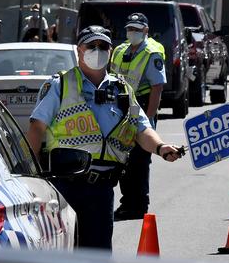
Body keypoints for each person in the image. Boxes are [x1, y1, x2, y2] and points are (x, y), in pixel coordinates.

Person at [26, 25, 181, 250]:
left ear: (110, 52)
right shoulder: (60, 85)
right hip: (63, 187)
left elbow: (141, 129)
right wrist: (32, 175)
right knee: (61, 260)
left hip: (101, 190)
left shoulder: (122, 90)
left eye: (103, 47)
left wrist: (160, 147)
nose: (97, 51)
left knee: (95, 262)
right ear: (79, 50)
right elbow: (36, 128)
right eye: (91, 46)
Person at [109, 12, 167, 221]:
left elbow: (157, 88)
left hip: (141, 107)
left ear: (145, 31)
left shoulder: (151, 53)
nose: (132, 32)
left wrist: (149, 120)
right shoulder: (120, 50)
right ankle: (128, 203)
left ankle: (138, 204)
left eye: (136, 29)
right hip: (120, 109)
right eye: (129, 29)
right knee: (123, 158)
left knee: (139, 160)